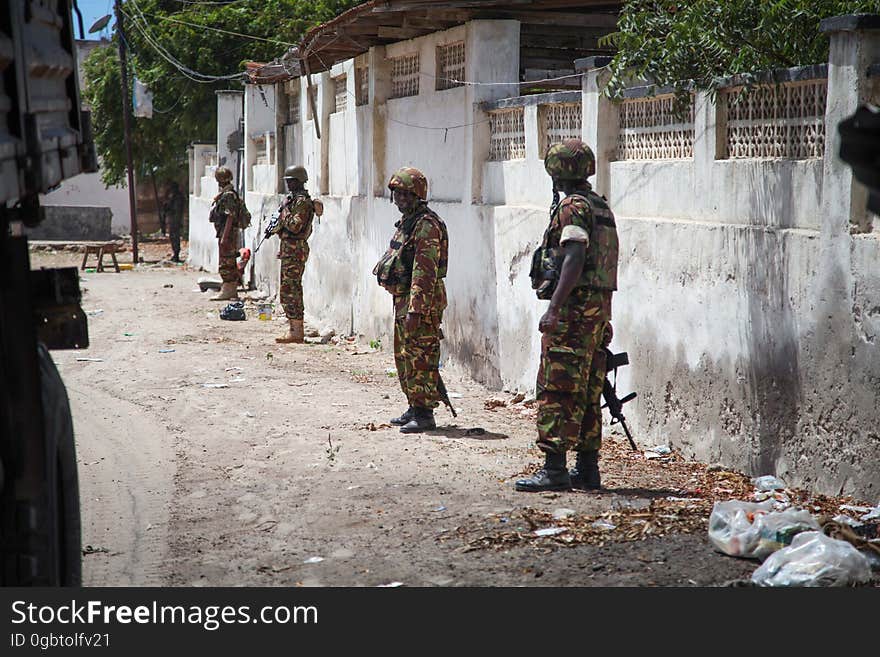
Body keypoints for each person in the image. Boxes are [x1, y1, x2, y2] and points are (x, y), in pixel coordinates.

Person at [515, 139, 619, 492]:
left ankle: (554, 469)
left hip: (575, 311)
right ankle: (587, 469)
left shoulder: (573, 208)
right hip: (597, 312)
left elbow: (574, 256)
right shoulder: (600, 206)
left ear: (558, 171)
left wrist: (555, 306)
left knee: (558, 387)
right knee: (590, 388)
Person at [373, 167, 450, 434]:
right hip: (404, 299)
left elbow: (424, 271)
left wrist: (416, 310)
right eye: (397, 194)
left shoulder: (426, 225)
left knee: (420, 356)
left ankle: (425, 413)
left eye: (406, 194)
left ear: (418, 195)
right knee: (404, 356)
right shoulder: (410, 222)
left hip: (421, 302)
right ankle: (414, 405)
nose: (401, 199)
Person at [271, 165, 321, 343]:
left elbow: (295, 226)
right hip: (289, 248)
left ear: (299, 181)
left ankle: (297, 330)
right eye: (287, 181)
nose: (288, 184)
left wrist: (284, 211)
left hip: (295, 248)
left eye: (291, 181)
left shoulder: (301, 202)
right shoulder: (292, 200)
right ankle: (294, 328)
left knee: (291, 289)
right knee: (287, 288)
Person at [208, 166, 249, 301]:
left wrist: (224, 237)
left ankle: (229, 290)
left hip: (228, 233)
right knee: (227, 260)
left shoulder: (228, 195)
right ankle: (229, 289)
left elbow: (230, 217)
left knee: (226, 262)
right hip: (226, 232)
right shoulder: (226, 194)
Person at [162, 181, 185, 263]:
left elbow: (175, 209)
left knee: (175, 237)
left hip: (175, 220)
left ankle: (176, 254)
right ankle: (175, 254)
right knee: (173, 237)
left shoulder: (177, 197)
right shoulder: (174, 197)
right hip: (174, 219)